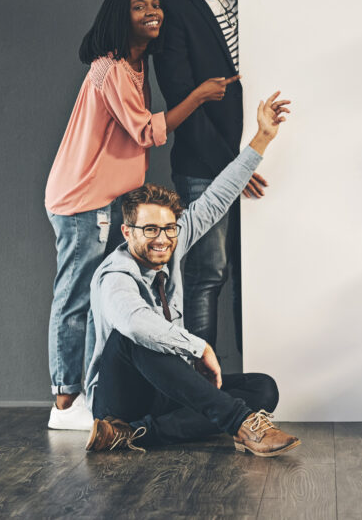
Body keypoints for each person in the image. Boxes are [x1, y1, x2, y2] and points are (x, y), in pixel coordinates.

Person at [155, 0, 358, 355]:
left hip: (272, 156)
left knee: (266, 276)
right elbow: (183, 101)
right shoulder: (172, 12)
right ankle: (204, 386)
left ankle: (256, 381)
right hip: (207, 166)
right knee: (208, 275)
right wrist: (235, 167)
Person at [44, 0, 239, 431]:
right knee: (74, 298)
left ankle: (91, 401)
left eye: (155, 5)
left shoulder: (134, 67)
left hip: (106, 202)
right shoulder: (110, 68)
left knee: (98, 300)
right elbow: (146, 131)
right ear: (120, 16)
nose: (152, 11)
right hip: (82, 200)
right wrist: (199, 95)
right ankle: (64, 403)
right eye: (139, 7)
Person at [84, 91, 301, 457]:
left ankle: (135, 435)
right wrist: (198, 347)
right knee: (137, 336)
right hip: (120, 398)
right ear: (128, 232)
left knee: (263, 389)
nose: (162, 239)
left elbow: (218, 196)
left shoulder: (172, 239)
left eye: (168, 229)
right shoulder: (116, 276)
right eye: (149, 230)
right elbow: (136, 324)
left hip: (162, 393)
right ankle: (242, 425)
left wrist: (263, 136)